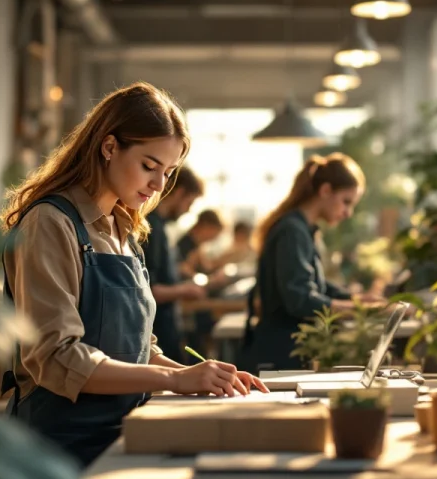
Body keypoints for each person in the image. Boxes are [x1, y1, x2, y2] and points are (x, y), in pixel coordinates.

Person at [0, 83, 268, 479]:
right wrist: (174, 380)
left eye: (169, 172)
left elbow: (139, 347)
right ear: (108, 146)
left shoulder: (124, 229)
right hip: (57, 456)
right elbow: (56, 357)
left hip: (123, 444)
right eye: (149, 166)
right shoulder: (51, 223)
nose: (159, 185)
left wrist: (201, 377)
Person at [239, 152, 377, 373]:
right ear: (325, 191)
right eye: (346, 202)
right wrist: (360, 310)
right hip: (280, 355)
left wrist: (357, 300)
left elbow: (316, 285)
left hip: (285, 352)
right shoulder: (292, 231)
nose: (348, 213)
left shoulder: (302, 230)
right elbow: (300, 299)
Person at [143, 166, 208, 363]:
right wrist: (184, 290)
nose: (189, 209)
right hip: (157, 334)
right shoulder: (150, 227)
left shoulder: (160, 226)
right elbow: (148, 289)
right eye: (190, 202)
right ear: (180, 193)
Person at [176, 209, 225, 279]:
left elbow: (207, 267)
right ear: (206, 226)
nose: (214, 238)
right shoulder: (187, 244)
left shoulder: (197, 245)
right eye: (214, 232)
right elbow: (183, 269)